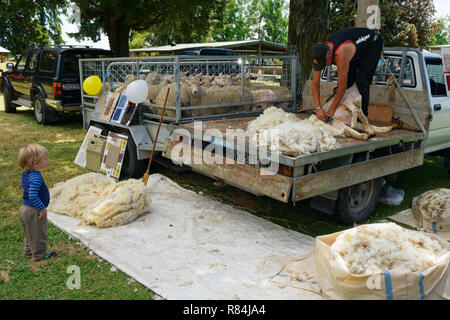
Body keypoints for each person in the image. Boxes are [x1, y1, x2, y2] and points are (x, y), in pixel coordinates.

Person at [310, 27, 383, 122]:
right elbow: (315, 84)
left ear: (329, 54)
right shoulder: (319, 53)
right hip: (353, 50)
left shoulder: (341, 54)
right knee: (349, 82)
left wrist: (330, 114)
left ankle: (362, 119)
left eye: (324, 63)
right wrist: (318, 108)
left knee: (362, 82)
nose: (324, 66)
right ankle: (348, 114)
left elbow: (341, 87)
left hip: (372, 43)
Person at [18, 143, 57, 261]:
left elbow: (25, 187)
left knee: (29, 231)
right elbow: (33, 196)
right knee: (38, 233)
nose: (48, 160)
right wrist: (41, 208)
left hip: (24, 209)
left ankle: (29, 249)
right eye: (45, 159)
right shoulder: (35, 177)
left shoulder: (26, 173)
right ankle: (39, 254)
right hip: (33, 210)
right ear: (36, 163)